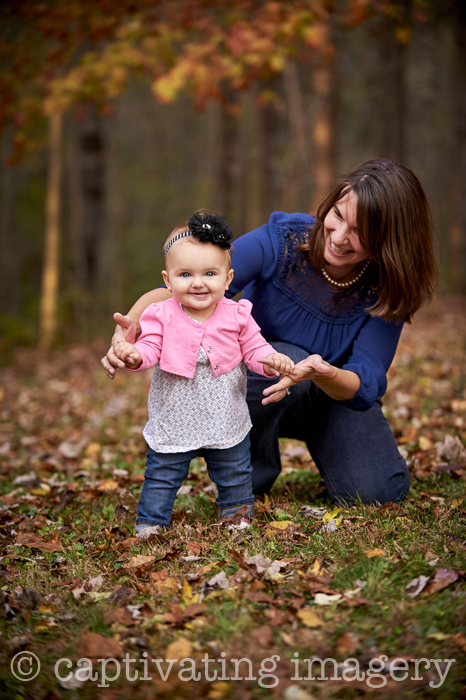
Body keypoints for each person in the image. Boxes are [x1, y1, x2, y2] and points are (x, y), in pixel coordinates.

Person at [102, 159, 438, 507]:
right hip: (264, 383)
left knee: (378, 494)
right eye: (338, 215)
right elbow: (187, 287)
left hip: (334, 396)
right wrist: (132, 322)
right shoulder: (283, 240)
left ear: (389, 238)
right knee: (278, 358)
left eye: (360, 231)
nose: (338, 237)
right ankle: (249, 477)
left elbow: (365, 381)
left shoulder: (388, 286)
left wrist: (323, 372)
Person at [113, 212, 294, 536]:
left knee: (235, 472)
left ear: (228, 279)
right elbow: (150, 348)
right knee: (162, 474)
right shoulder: (161, 314)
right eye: (185, 274)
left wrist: (270, 360)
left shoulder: (237, 314)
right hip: (176, 418)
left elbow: (254, 348)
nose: (198, 282)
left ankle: (236, 516)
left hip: (224, 417)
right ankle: (152, 522)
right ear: (168, 281)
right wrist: (134, 354)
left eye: (210, 273)